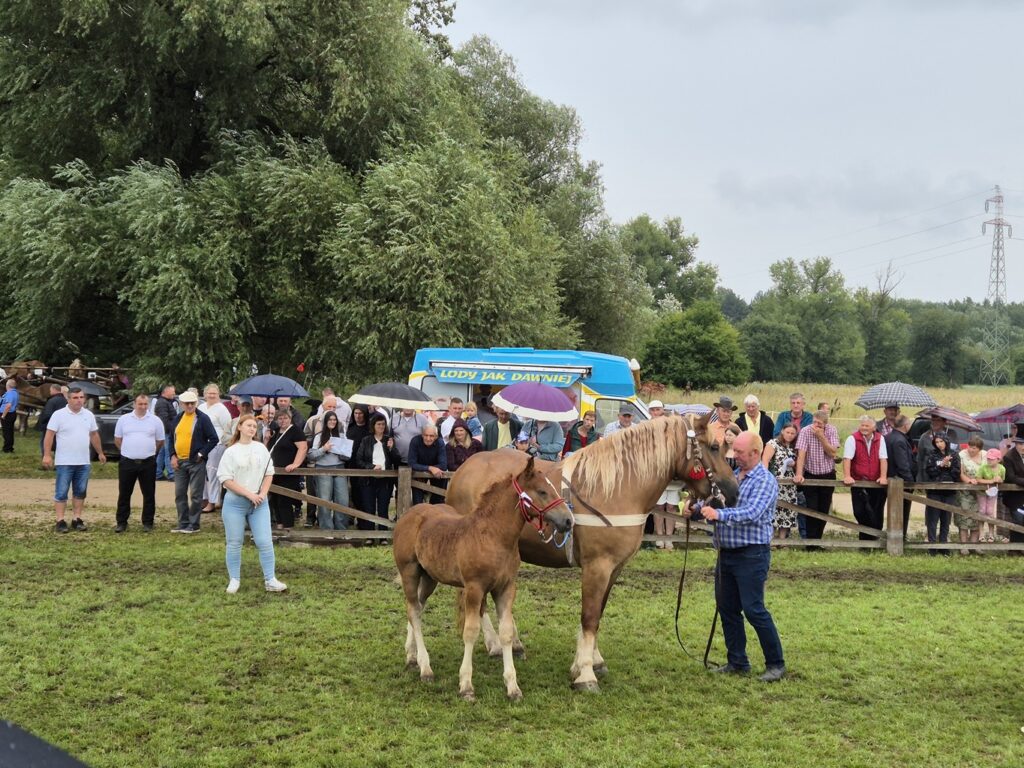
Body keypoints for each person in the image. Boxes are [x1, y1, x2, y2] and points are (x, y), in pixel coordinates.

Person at [684, 431, 785, 682]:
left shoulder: (764, 480)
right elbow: (714, 500)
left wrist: (719, 516)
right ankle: (737, 661)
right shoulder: (731, 476)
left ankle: (776, 663)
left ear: (755, 453)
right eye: (734, 451)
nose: (734, 456)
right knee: (727, 608)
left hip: (752, 554)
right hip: (726, 554)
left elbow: (751, 512)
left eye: (739, 452)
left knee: (754, 609)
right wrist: (696, 509)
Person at [217, 414, 287, 593]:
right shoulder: (231, 451)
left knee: (265, 541)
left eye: (254, 427)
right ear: (239, 427)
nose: (251, 429)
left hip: (258, 503)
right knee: (234, 542)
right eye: (248, 425)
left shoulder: (261, 448)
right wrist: (249, 494)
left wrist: (262, 494)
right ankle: (234, 580)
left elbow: (268, 473)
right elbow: (226, 480)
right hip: (235, 503)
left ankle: (270, 579)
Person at [42, 386, 107, 533]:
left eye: (81, 397)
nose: (79, 401)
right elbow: (49, 435)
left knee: (80, 491)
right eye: (75, 398)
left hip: (83, 461)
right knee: (61, 492)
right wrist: (47, 455)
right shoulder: (59, 415)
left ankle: (77, 519)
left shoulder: (88, 415)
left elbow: (94, 435)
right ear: (68, 398)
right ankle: (60, 520)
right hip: (64, 461)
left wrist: (100, 452)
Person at [113, 393, 165, 533]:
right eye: (140, 404)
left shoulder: (155, 420)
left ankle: (148, 522)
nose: (143, 407)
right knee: (124, 493)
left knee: (149, 493)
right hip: (127, 462)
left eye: (145, 404)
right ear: (134, 404)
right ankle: (121, 522)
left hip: (148, 462)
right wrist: (126, 450)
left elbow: (160, 441)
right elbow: (118, 439)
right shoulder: (124, 419)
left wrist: (151, 452)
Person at [168, 390, 219, 533]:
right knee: (180, 494)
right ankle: (183, 523)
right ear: (181, 404)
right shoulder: (178, 418)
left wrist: (202, 453)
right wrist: (172, 455)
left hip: (196, 462)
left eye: (192, 403)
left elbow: (213, 438)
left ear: (196, 403)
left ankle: (194, 524)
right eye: (187, 403)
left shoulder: (202, 418)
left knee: (196, 495)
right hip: (180, 462)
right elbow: (171, 438)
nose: (190, 406)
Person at [794, 409, 839, 545]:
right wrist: (799, 474)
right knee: (811, 508)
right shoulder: (805, 431)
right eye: (814, 422)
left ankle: (817, 540)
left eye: (819, 424)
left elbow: (832, 452)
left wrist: (821, 437)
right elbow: (801, 454)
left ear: (825, 424)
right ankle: (810, 542)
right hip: (810, 473)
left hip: (828, 474)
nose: (816, 426)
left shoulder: (831, 430)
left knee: (824, 509)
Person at [842, 415, 889, 543]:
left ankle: (873, 540)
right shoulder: (852, 439)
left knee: (876, 511)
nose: (864, 428)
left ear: (874, 428)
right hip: (858, 481)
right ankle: (866, 538)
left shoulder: (880, 439)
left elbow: (883, 459)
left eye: (867, 426)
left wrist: (883, 477)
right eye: (862, 425)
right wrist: (847, 476)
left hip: (875, 482)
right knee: (859, 511)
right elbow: (847, 459)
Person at [308, 411, 352, 530]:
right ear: (326, 421)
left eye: (334, 420)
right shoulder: (319, 436)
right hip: (323, 469)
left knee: (342, 500)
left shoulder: (342, 436)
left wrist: (341, 452)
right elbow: (311, 456)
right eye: (330, 420)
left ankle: (341, 528)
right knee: (324, 500)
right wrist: (324, 449)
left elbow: (348, 456)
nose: (332, 422)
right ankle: (326, 529)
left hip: (339, 468)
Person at [357, 413, 401, 528]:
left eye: (383, 424)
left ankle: (383, 535)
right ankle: (370, 535)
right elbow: (359, 460)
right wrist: (372, 467)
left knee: (383, 507)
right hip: (368, 479)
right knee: (369, 507)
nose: (381, 426)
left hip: (385, 480)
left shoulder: (389, 440)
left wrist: (391, 449)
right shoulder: (366, 440)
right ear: (373, 425)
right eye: (378, 424)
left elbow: (397, 460)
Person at [267, 408, 307, 530]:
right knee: (274, 499)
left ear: (290, 419)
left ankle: (288, 526)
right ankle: (279, 524)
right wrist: (267, 437)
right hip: (274, 471)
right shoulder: (276, 432)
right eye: (280, 418)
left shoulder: (295, 431)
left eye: (285, 418)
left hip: (288, 472)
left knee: (284, 500)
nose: (282, 421)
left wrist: (296, 463)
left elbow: (303, 448)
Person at [924, 432, 960, 556]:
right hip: (934, 490)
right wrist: (941, 465)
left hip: (949, 491)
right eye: (937, 442)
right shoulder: (931, 454)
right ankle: (932, 547)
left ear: (946, 441)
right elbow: (930, 471)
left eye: (941, 441)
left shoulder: (954, 454)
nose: (939, 444)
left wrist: (948, 465)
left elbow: (956, 473)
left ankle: (944, 546)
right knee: (932, 519)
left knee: (946, 520)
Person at [198, 383, 232, 514]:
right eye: (209, 393)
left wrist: (225, 444)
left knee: (212, 473)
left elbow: (227, 429)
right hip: (202, 445)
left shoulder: (222, 409)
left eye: (214, 393)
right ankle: (204, 499)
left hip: (216, 445)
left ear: (218, 395)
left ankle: (212, 502)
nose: (212, 395)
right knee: (202, 473)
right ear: (205, 394)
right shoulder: (201, 407)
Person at [762, 422, 799, 539]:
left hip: (789, 483)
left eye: (793, 433)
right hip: (774, 480)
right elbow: (765, 461)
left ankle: (782, 539)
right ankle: (771, 538)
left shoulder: (794, 447)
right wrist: (765, 479)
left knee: (787, 509)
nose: (790, 435)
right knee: (773, 509)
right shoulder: (773, 443)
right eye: (788, 432)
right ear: (782, 431)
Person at [884, 414, 915, 539]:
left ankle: (896, 535)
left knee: (894, 510)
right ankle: (900, 537)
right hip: (900, 482)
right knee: (902, 511)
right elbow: (902, 464)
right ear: (905, 425)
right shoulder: (900, 440)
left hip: (890, 478)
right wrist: (910, 482)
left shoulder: (887, 437)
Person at [955, 436, 987, 553]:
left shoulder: (985, 455)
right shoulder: (962, 454)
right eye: (970, 446)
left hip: (981, 490)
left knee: (977, 517)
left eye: (974, 448)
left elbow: (990, 468)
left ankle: (974, 544)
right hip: (965, 491)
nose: (971, 449)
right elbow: (961, 472)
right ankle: (963, 546)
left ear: (979, 449)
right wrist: (968, 480)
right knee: (964, 516)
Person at [346, 405, 373, 527]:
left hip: (366, 466)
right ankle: (358, 519)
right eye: (356, 413)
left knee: (366, 496)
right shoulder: (350, 428)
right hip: (352, 465)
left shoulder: (369, 429)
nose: (358, 416)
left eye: (360, 413)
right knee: (355, 494)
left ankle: (366, 522)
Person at [408, 423, 448, 504]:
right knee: (417, 502)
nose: (428, 438)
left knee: (438, 501)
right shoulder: (415, 441)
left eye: (431, 436)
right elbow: (411, 463)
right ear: (422, 435)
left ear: (436, 436)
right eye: (426, 435)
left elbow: (443, 465)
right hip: (418, 473)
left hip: (437, 473)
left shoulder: (440, 442)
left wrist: (433, 469)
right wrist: (430, 468)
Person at [916, 415, 959, 483]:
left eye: (938, 420)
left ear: (944, 422)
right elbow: (920, 459)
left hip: (948, 476)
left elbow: (956, 453)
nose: (935, 422)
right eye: (933, 420)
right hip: (930, 476)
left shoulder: (952, 434)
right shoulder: (925, 437)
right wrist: (919, 479)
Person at [976, 448, 1005, 542]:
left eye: (992, 459)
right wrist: (991, 481)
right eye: (988, 458)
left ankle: (991, 533)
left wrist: (999, 480)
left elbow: (1003, 479)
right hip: (982, 492)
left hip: (993, 492)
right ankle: (981, 532)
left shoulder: (1002, 468)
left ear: (998, 459)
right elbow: (978, 479)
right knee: (982, 510)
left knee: (990, 511)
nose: (989, 460)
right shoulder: (983, 467)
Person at [153, 384, 177, 480]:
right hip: (166, 432)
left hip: (165, 431)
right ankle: (171, 474)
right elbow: (164, 420)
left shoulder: (165, 402)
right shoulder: (163, 403)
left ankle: (157, 473)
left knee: (162, 452)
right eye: (172, 391)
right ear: (166, 391)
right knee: (168, 452)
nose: (174, 393)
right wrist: (171, 431)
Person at [35, 384, 66, 455]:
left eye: (50, 390)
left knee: (44, 442)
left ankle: (45, 457)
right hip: (61, 425)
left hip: (49, 426)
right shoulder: (65, 400)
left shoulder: (52, 401)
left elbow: (47, 414)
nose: (50, 392)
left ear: (54, 390)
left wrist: (42, 422)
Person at [1, 378, 20, 453]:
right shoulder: (15, 392)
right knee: (10, 431)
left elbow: (8, 405)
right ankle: (9, 447)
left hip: (7, 414)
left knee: (7, 432)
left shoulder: (10, 393)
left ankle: (7, 448)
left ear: (8, 385)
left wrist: (3, 416)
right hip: (12, 413)